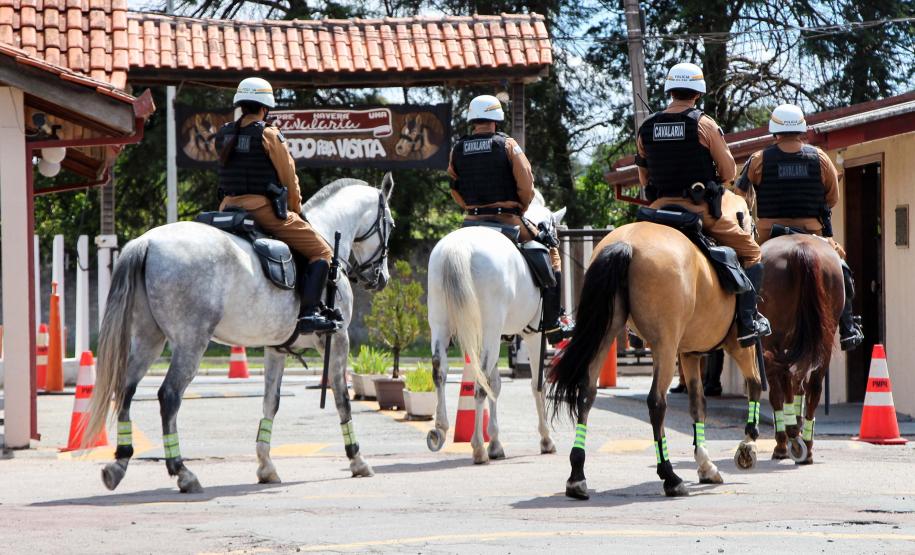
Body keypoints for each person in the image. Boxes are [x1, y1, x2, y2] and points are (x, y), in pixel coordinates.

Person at [635, 62, 770, 347]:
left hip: (658, 211)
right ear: (697, 94)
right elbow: (729, 172)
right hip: (698, 211)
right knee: (753, 252)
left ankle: (634, 328)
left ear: (670, 90)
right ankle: (748, 321)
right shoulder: (703, 123)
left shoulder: (646, 127)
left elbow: (644, 175)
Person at [215, 77, 340, 334]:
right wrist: (296, 210)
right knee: (323, 252)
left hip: (227, 209)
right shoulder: (269, 134)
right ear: (265, 107)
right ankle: (308, 314)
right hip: (263, 211)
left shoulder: (225, 132)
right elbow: (289, 178)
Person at [736, 103, 864, 350]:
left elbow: (740, 194)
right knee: (842, 268)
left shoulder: (759, 159)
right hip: (812, 233)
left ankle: (745, 321)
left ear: (775, 132)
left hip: (768, 234)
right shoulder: (820, 158)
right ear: (802, 130)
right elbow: (832, 198)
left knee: (744, 271)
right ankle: (848, 326)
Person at [447, 94, 572, 343]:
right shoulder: (508, 145)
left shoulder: (457, 149)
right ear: (496, 119)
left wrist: (470, 208)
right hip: (506, 221)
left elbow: (454, 187)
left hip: (470, 221)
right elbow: (527, 184)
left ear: (473, 118)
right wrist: (521, 208)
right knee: (551, 251)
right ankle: (552, 324)